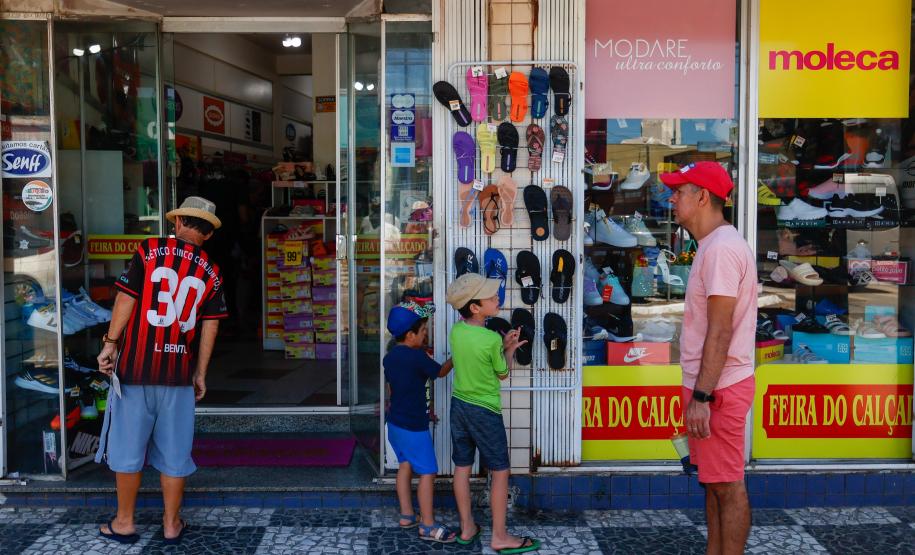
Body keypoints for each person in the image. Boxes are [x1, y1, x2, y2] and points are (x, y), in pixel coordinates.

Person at [95, 196, 227, 546]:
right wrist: (200, 373)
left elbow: (126, 298)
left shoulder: (149, 250)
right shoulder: (211, 270)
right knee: (174, 453)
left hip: (136, 371)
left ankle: (124, 522)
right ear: (208, 234)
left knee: (127, 451)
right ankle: (171, 524)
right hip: (178, 376)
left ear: (179, 222)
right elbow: (210, 325)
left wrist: (110, 342)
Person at [661, 162, 757, 555]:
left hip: (718, 390)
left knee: (727, 485)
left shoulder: (720, 250)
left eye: (679, 191)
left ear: (702, 197)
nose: (671, 198)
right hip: (711, 386)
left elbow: (720, 331)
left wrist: (701, 398)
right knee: (713, 483)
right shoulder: (713, 245)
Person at [445, 274, 541, 554]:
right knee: (500, 472)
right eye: (490, 296)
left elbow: (474, 355)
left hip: (458, 406)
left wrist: (500, 346)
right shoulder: (489, 339)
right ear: (475, 307)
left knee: (461, 467)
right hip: (484, 411)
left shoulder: (456, 331)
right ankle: (499, 536)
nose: (496, 297)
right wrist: (508, 349)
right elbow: (502, 374)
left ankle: (467, 528)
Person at [383, 301, 456, 543]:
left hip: (394, 425)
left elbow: (395, 389)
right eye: (423, 331)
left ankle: (406, 515)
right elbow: (441, 372)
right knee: (428, 472)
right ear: (410, 334)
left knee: (405, 466)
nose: (426, 335)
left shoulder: (390, 356)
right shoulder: (417, 357)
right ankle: (427, 525)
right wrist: (458, 356)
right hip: (413, 428)